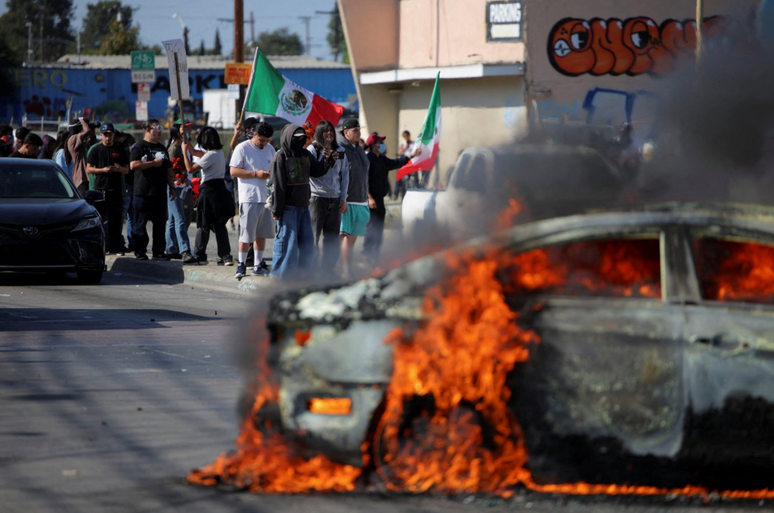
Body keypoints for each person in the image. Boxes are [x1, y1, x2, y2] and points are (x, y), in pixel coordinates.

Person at [269, 123, 330, 279]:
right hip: (287, 209)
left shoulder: (305, 154)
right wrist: (277, 209)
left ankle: (303, 278)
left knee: (307, 245)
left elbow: (318, 171)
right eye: (296, 138)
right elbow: (278, 186)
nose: (300, 140)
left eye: (302, 138)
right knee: (287, 246)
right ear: (288, 137)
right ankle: (280, 279)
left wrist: (328, 160)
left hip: (304, 207)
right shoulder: (280, 156)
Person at [229, 118, 276, 279]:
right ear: (254, 134)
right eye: (262, 140)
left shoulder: (270, 149)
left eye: (267, 140)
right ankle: (241, 264)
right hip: (249, 197)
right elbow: (233, 171)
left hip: (266, 198)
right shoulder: (242, 148)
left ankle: (257, 264)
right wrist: (256, 174)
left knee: (261, 234)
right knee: (246, 234)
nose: (264, 143)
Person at [181, 125, 234, 266]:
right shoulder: (217, 152)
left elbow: (190, 168)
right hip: (219, 190)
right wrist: (185, 138)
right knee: (219, 224)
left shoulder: (211, 155)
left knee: (203, 223)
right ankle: (225, 256)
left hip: (209, 191)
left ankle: (200, 255)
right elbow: (194, 151)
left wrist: (184, 152)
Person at [364, 132, 415, 262]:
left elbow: (396, 163)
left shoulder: (382, 159)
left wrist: (412, 155)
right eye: (378, 143)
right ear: (372, 145)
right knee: (372, 228)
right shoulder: (368, 159)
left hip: (380, 199)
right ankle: (367, 254)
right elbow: (364, 181)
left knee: (379, 228)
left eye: (381, 142)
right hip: (371, 200)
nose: (381, 145)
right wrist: (370, 198)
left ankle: (375, 255)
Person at [129, 119, 175, 261]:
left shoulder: (162, 148)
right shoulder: (139, 147)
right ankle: (140, 251)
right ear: (148, 129)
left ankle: (158, 252)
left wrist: (172, 187)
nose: (160, 131)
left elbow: (169, 169)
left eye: (160, 128)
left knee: (160, 223)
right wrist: (152, 164)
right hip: (143, 192)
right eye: (157, 128)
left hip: (159, 192)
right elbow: (133, 165)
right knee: (140, 224)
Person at [307, 120, 349, 272]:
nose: (329, 133)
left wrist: (343, 198)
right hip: (317, 198)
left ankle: (328, 271)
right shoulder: (313, 149)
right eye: (325, 131)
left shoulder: (340, 150)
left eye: (331, 130)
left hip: (335, 198)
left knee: (332, 239)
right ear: (319, 133)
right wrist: (324, 158)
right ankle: (311, 270)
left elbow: (345, 174)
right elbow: (312, 172)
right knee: (313, 237)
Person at [86, 123, 129, 255]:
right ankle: (99, 247)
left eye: (110, 135)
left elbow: (127, 170)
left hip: (115, 190)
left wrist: (119, 169)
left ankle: (114, 247)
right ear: (101, 135)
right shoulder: (96, 149)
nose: (108, 137)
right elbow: (89, 169)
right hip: (100, 190)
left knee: (115, 221)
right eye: (105, 135)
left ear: (113, 135)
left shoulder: (120, 150)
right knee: (99, 221)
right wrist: (103, 170)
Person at [337, 118, 370, 279]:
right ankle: (345, 269)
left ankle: (347, 266)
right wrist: (341, 198)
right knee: (345, 235)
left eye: (359, 130)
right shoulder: (340, 149)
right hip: (347, 199)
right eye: (355, 130)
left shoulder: (359, 149)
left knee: (353, 237)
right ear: (346, 132)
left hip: (361, 199)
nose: (359, 133)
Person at [164, 124, 197, 264]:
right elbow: (171, 170)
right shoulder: (173, 149)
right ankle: (185, 250)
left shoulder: (184, 146)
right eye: (184, 130)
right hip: (174, 188)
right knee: (180, 218)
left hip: (182, 186)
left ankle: (171, 249)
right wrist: (175, 183)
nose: (188, 132)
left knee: (172, 220)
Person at [66, 118, 95, 195]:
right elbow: (87, 131)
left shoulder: (81, 141)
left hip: (87, 178)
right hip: (81, 178)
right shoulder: (72, 139)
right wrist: (82, 120)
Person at [394, 130, 414, 198]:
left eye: (407, 136)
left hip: (412, 162)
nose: (406, 137)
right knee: (399, 175)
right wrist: (406, 147)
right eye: (404, 136)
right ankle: (396, 193)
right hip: (404, 162)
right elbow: (400, 152)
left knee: (414, 176)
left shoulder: (413, 143)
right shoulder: (403, 144)